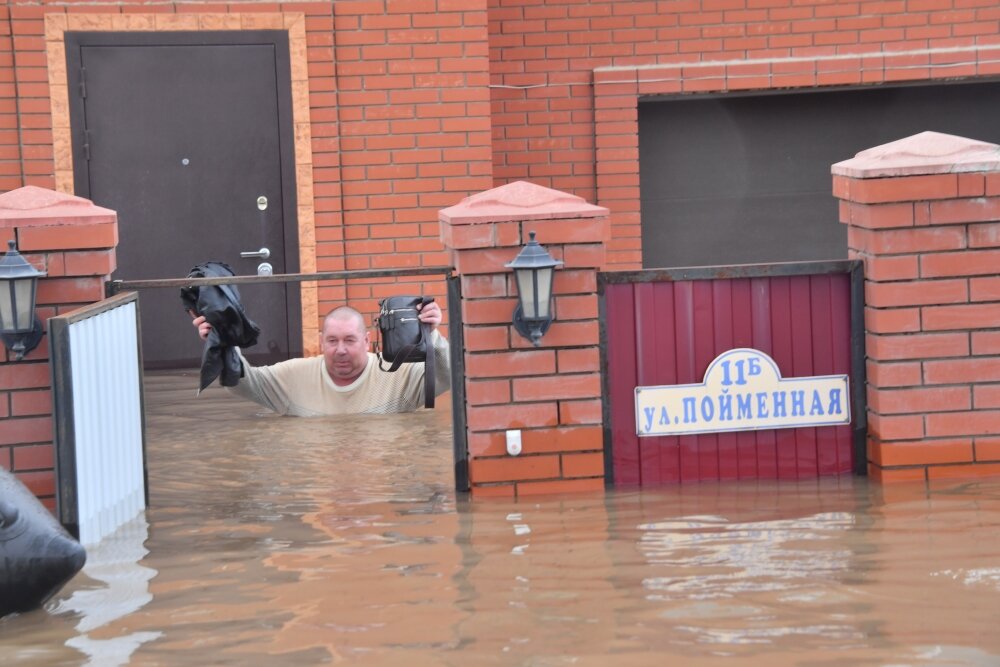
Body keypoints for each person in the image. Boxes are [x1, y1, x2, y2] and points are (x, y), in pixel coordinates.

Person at [191, 301, 450, 416]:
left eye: (349, 340)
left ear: (367, 341)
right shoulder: (294, 377)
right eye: (332, 341)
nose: (340, 350)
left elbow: (451, 376)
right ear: (320, 342)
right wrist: (223, 342)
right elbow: (243, 385)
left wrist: (431, 334)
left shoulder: (398, 376)